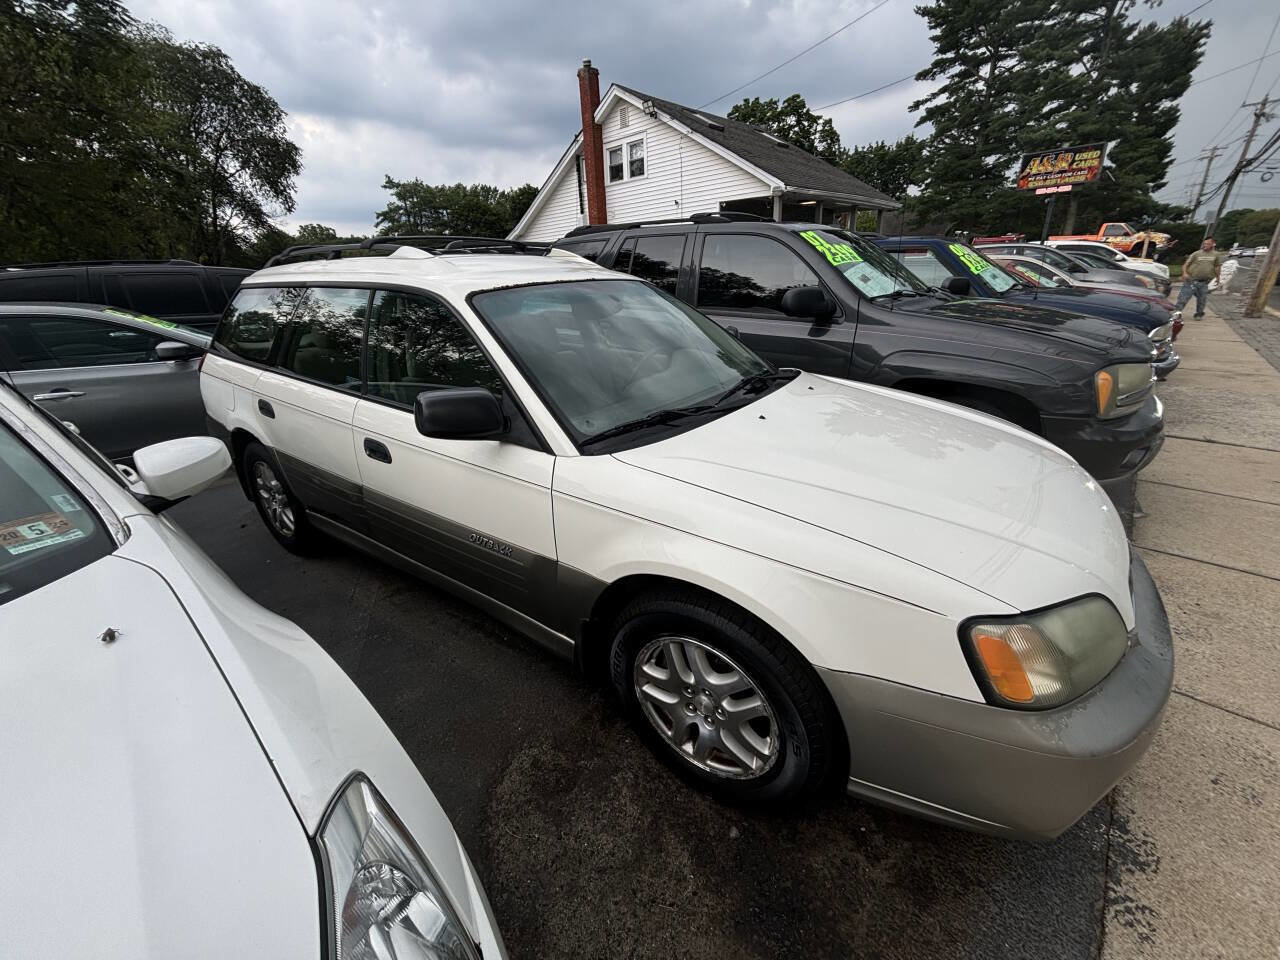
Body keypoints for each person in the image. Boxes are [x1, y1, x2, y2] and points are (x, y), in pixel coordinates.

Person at [1175, 237, 1224, 320]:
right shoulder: (1196, 254)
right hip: (1191, 281)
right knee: (1183, 298)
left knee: (1202, 300)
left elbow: (1216, 266)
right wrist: (1184, 273)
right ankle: (1176, 313)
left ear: (1213, 244)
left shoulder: (1216, 255)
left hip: (1204, 282)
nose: (1205, 245)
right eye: (1204, 244)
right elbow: (1185, 265)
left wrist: (1218, 277)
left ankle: (1199, 314)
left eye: (1208, 244)